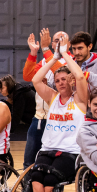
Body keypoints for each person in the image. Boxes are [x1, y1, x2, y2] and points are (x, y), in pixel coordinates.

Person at [29, 33, 89, 192]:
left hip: (69, 153)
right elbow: (36, 79)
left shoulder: (80, 100)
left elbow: (80, 76)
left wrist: (65, 54)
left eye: (64, 79)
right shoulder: (53, 97)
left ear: (71, 81)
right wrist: (53, 58)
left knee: (49, 185)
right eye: (57, 80)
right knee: (36, 181)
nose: (61, 82)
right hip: (48, 150)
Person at [23, 31, 61, 168]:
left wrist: (46, 50)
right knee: (29, 159)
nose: (59, 43)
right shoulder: (45, 61)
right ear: (52, 43)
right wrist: (33, 53)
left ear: (68, 45)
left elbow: (61, 72)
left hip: (59, 119)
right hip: (39, 117)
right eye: (56, 40)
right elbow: (27, 76)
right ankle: (27, 188)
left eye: (62, 40)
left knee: (53, 161)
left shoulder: (71, 60)